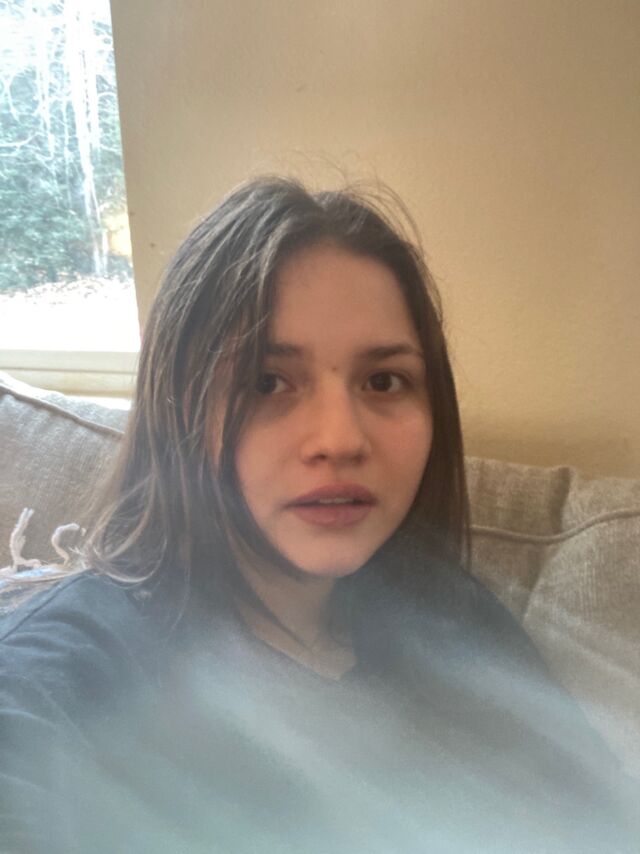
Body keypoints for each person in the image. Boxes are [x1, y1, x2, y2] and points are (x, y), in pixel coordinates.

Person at [0, 177, 634, 852]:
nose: (340, 439)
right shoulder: (60, 682)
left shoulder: (453, 617)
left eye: (383, 381)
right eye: (266, 382)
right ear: (176, 410)